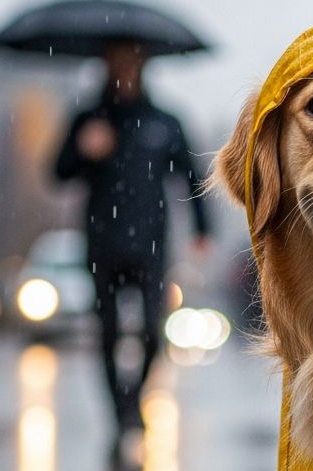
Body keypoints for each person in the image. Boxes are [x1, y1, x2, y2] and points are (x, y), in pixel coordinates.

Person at [54, 41, 210, 432]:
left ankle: (134, 399)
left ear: (143, 65)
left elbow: (190, 177)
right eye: (116, 62)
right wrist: (83, 150)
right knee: (106, 332)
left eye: (131, 61)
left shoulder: (163, 122)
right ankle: (119, 414)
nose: (124, 69)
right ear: (105, 67)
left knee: (151, 331)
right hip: (101, 241)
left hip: (151, 242)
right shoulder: (89, 120)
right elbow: (57, 172)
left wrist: (202, 228)